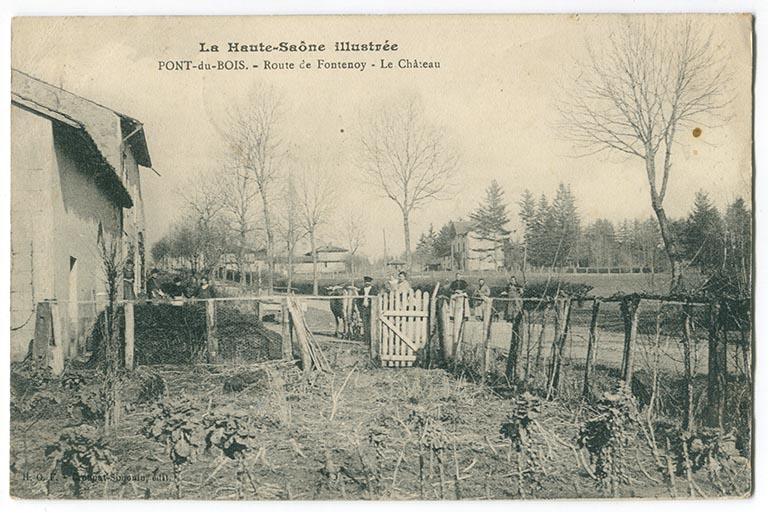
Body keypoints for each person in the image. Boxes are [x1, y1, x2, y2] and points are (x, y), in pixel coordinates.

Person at [356, 276, 378, 343]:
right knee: (365, 324)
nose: (367, 283)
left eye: (368, 282)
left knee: (371, 323)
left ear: (370, 282)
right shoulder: (362, 290)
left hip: (371, 309)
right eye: (366, 282)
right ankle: (366, 339)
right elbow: (358, 300)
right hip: (364, 308)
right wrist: (359, 308)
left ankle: (372, 339)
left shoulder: (374, 290)